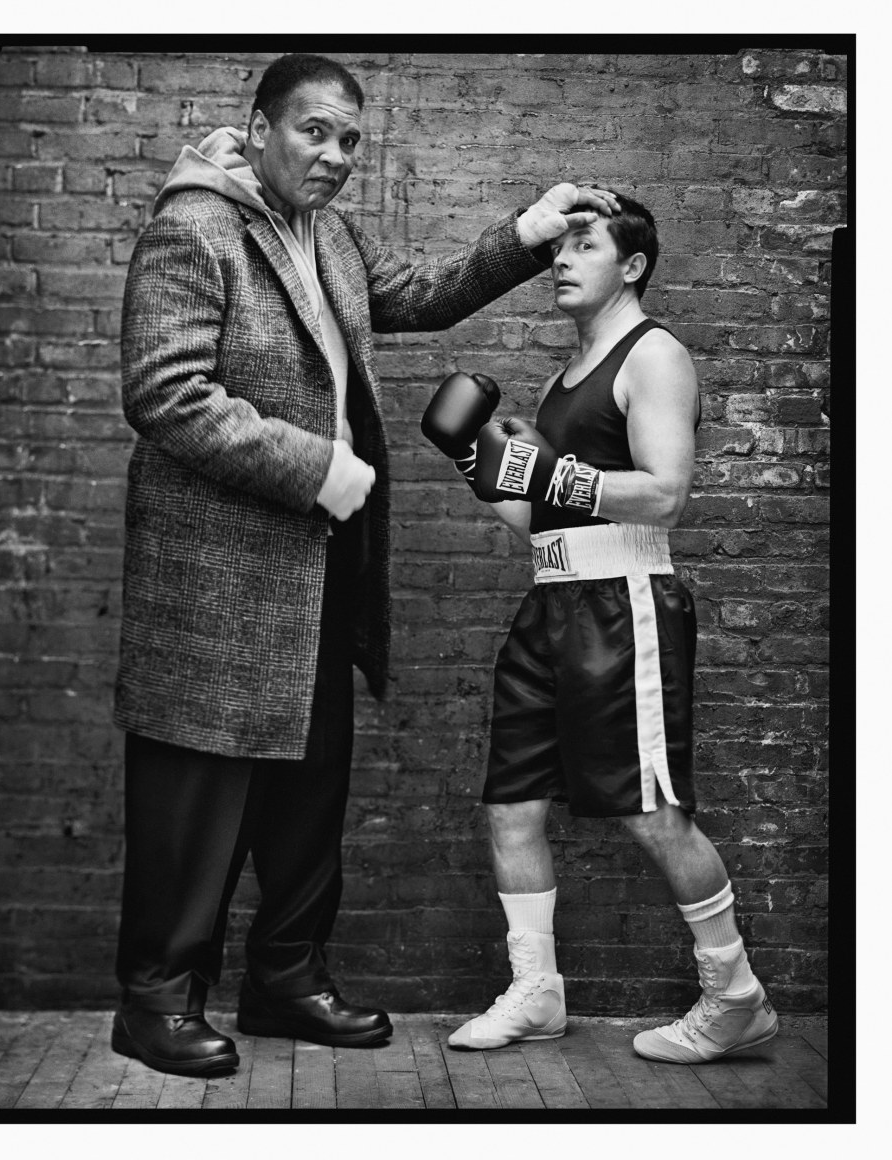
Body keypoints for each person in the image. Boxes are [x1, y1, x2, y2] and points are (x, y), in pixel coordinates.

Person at [111, 50, 621, 1078]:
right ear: (259, 128)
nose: (336, 154)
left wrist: (529, 231)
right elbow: (166, 393)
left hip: (317, 572)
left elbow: (423, 293)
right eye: (315, 131)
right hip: (218, 579)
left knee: (308, 792)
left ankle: (286, 978)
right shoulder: (194, 228)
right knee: (196, 795)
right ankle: (156, 1001)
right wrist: (319, 469)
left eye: (350, 139)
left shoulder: (329, 235)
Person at [421, 192, 779, 1063]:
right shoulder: (561, 379)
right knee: (511, 808)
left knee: (651, 813)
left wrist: (552, 472)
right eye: (559, 246)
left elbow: (664, 492)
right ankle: (536, 992)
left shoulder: (652, 355)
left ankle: (735, 995)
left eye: (584, 245)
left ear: (632, 265)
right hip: (548, 601)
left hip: (623, 606)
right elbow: (535, 518)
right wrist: (476, 460)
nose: (560, 258)